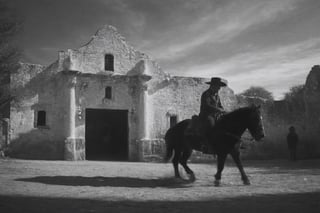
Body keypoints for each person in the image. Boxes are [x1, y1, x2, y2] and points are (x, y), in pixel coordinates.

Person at [199, 77, 227, 153]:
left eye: (219, 87)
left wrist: (223, 111)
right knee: (211, 123)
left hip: (216, 115)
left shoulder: (217, 96)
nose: (219, 89)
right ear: (213, 86)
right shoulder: (206, 94)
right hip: (206, 115)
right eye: (218, 86)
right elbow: (207, 105)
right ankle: (206, 144)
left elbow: (220, 105)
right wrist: (218, 109)